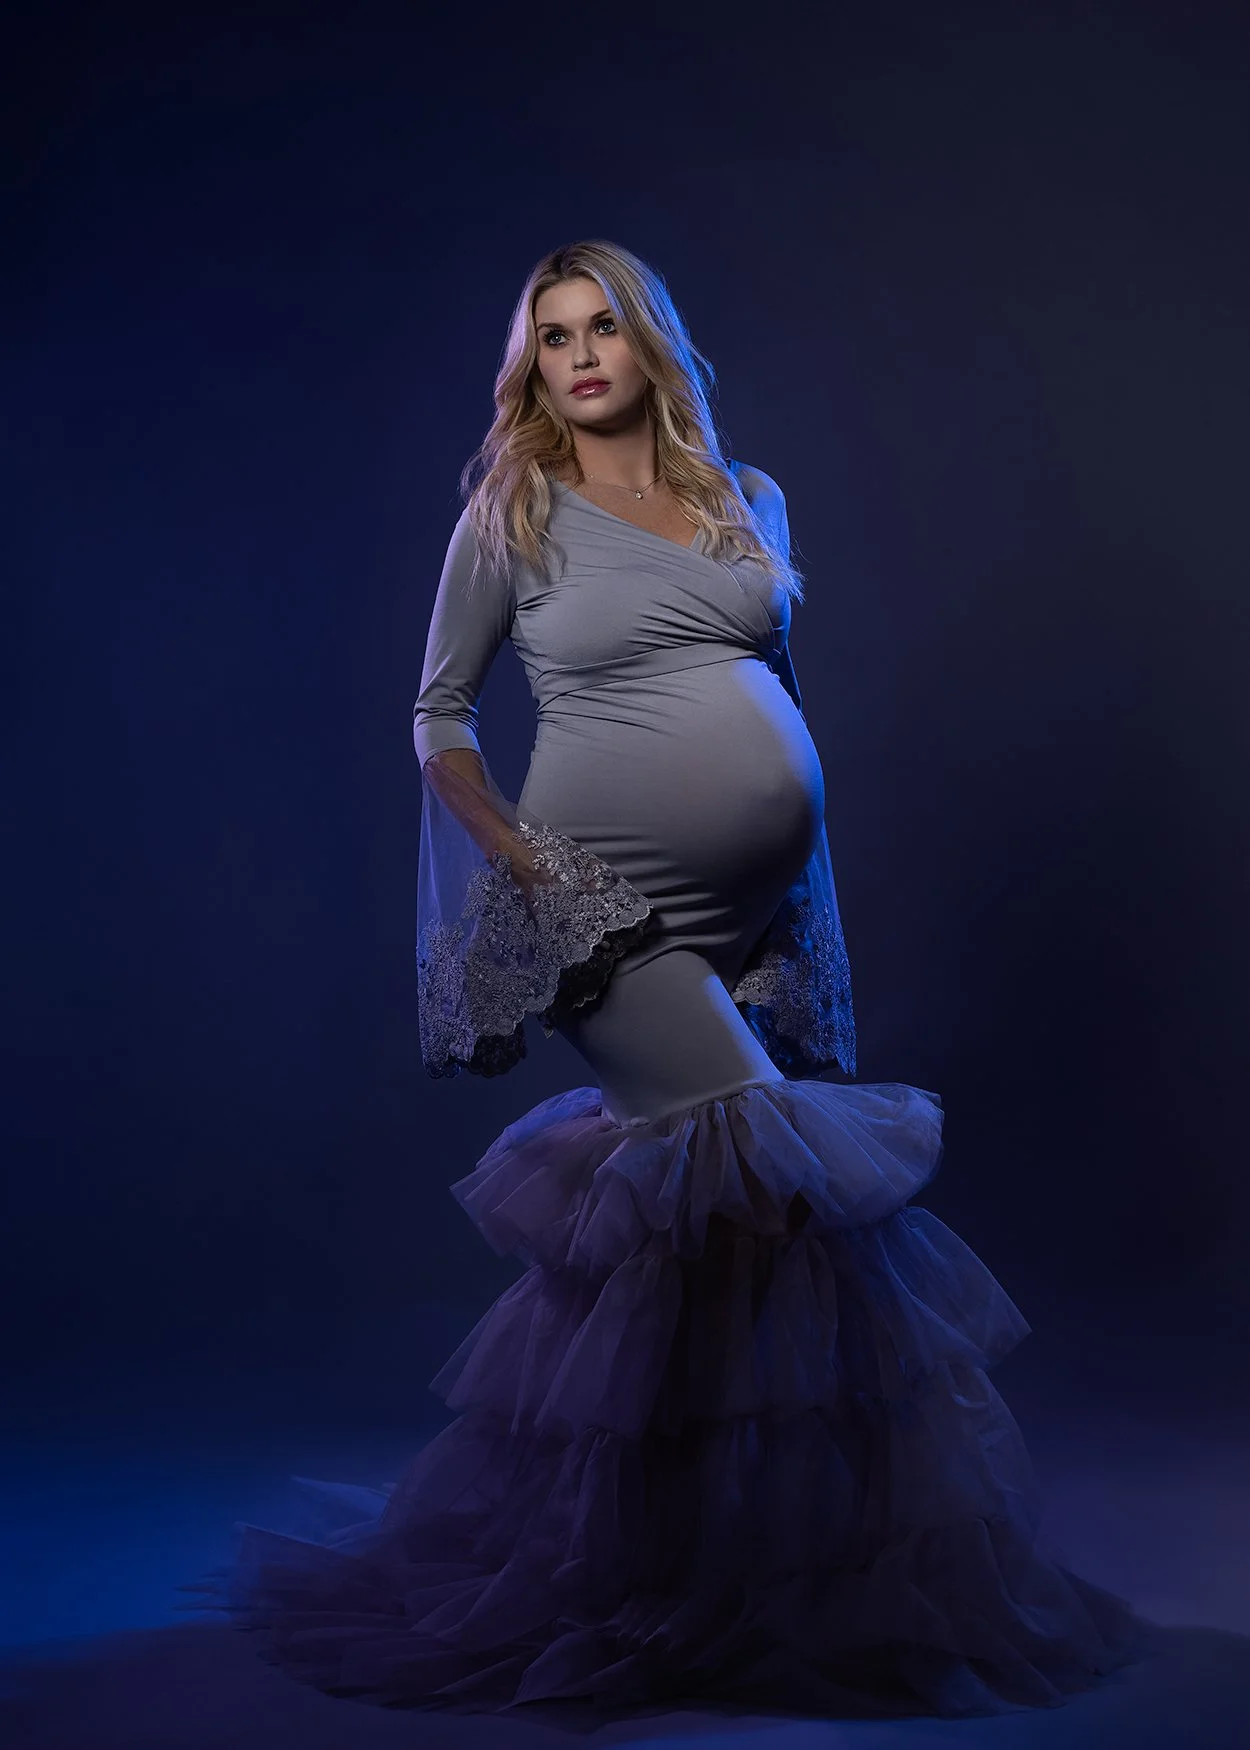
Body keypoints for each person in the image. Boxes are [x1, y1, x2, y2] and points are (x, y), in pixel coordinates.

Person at [194, 239, 1147, 1717]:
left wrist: (784, 916)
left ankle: (716, 1568)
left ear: (648, 347)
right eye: (551, 336)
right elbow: (437, 715)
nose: (578, 357)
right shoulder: (510, 512)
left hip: (735, 903)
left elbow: (768, 702)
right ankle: (691, 1581)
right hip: (597, 903)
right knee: (770, 1190)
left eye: (602, 330)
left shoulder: (740, 496)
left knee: (720, 1248)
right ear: (533, 367)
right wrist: (519, 860)